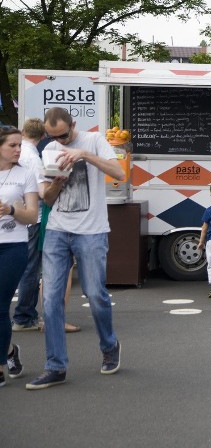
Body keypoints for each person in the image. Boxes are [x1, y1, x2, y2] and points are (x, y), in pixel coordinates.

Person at [27, 108, 125, 390]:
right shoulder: (49, 151)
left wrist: (84, 155)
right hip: (58, 229)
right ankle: (55, 366)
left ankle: (109, 345)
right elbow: (46, 199)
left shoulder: (94, 140)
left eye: (65, 134)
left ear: (74, 124)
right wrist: (57, 182)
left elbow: (118, 171)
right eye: (54, 136)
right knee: (51, 300)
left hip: (91, 231)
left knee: (95, 294)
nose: (62, 141)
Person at [0, 126, 40, 388]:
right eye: (12, 145)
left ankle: (1, 366)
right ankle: (10, 350)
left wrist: (11, 209)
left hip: (13, 246)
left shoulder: (25, 174)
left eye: (19, 145)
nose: (18, 150)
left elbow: (32, 216)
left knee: (1, 307)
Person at [12, 118, 46, 332]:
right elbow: (41, 192)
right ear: (43, 136)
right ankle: (24, 317)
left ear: (23, 131)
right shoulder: (34, 159)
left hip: (12, 215)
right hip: (32, 218)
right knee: (30, 268)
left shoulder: (13, 153)